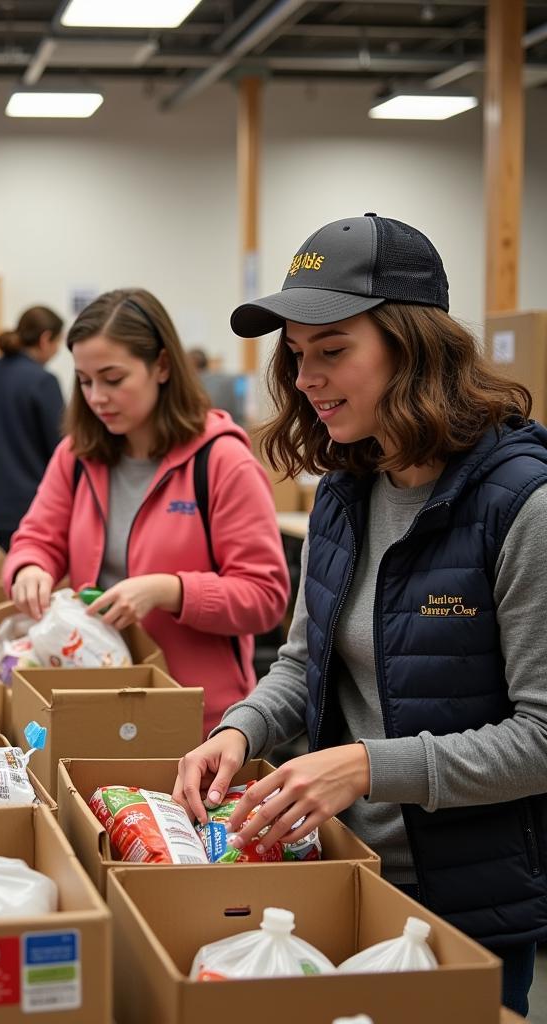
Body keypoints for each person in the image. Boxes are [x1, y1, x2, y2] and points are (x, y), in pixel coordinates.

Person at [173, 213, 546, 1016]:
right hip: (344, 871)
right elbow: (306, 662)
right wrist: (238, 731)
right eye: (298, 355)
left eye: (333, 349)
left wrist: (368, 765)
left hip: (466, 902)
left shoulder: (522, 507)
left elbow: (541, 738)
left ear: (415, 348)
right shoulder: (346, 491)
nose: (306, 378)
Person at [4, 288, 290, 734]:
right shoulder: (77, 456)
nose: (96, 396)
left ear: (161, 366)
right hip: (98, 701)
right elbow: (37, 539)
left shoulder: (221, 462)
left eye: (113, 379)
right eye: (84, 380)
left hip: (197, 716)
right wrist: (29, 569)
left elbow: (265, 598)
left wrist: (169, 591)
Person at [0, 305, 65, 550]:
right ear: (45, 339)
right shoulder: (43, 382)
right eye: (58, 343)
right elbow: (61, 451)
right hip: (33, 508)